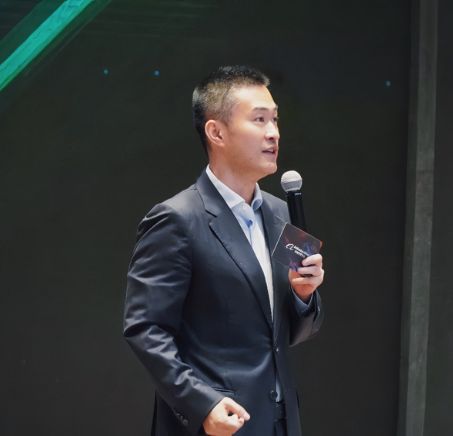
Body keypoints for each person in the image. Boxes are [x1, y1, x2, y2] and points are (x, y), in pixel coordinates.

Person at [123, 65, 325, 436]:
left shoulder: (281, 214)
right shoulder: (177, 218)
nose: (273, 132)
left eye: (275, 120)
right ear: (216, 132)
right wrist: (201, 404)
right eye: (259, 119)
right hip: (218, 424)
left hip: (281, 422)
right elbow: (146, 329)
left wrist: (303, 296)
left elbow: (291, 334)